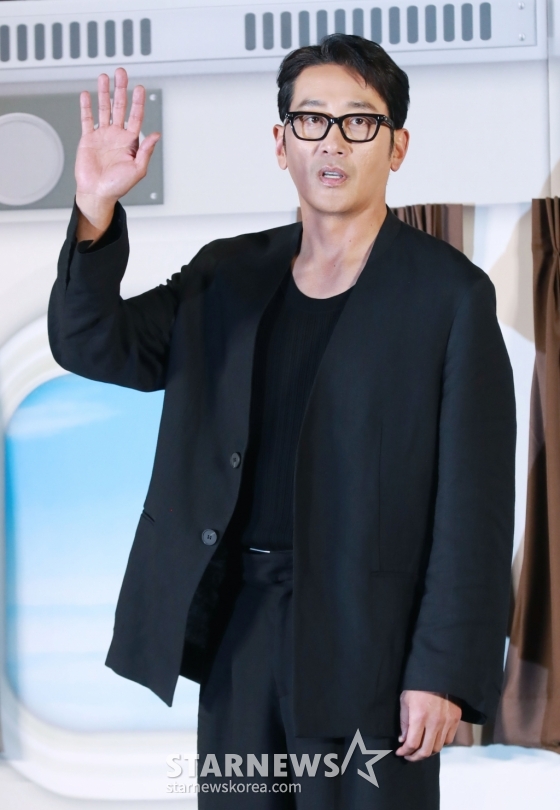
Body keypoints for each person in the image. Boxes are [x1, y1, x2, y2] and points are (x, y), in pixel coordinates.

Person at [48, 34, 516, 809]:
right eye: (311, 120)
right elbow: (93, 343)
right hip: (240, 623)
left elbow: (476, 506)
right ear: (281, 143)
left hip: (371, 638)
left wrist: (441, 672)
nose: (332, 141)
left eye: (359, 122)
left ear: (397, 147)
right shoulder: (225, 274)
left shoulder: (450, 296)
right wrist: (96, 207)